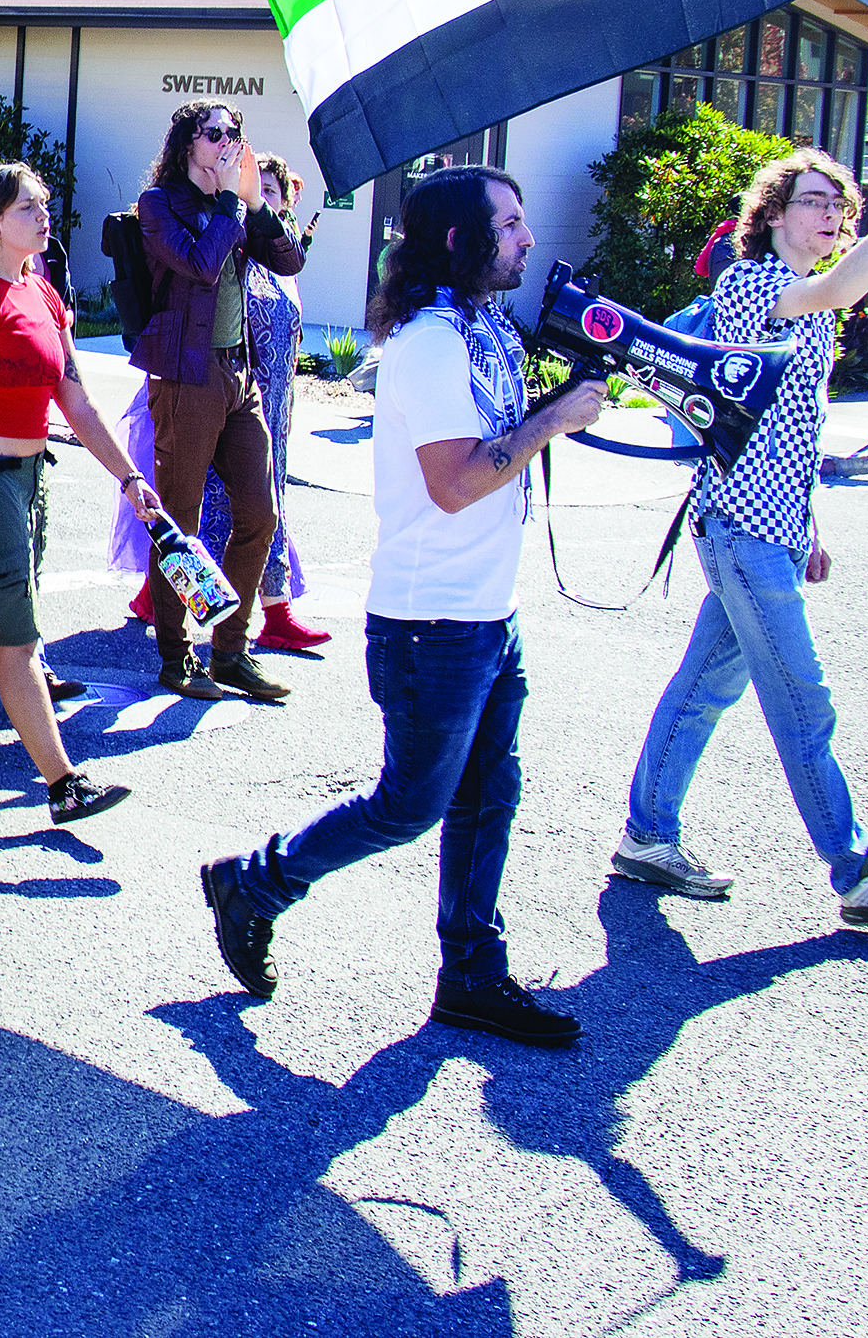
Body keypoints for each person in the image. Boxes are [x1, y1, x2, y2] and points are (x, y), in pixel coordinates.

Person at [198, 165, 607, 1048]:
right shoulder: (427, 344)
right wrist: (550, 423)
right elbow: (456, 482)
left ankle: (470, 973)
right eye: (508, 224)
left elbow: (489, 441)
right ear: (458, 240)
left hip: (487, 613)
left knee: (487, 793)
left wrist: (555, 399)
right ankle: (255, 881)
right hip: (433, 623)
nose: (526, 239)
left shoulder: (479, 326)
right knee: (409, 803)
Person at [615, 146, 868, 927]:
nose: (832, 217)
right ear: (772, 212)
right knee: (802, 704)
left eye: (839, 207)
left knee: (703, 688)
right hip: (739, 528)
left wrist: (805, 523)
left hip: (765, 530)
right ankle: (858, 875)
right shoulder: (751, 284)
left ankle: (646, 836)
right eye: (814, 201)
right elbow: (840, 284)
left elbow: (792, 425)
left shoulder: (807, 295)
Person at [0, 163, 155, 818]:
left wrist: (129, 476)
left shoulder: (42, 295)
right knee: (16, 637)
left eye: (43, 205)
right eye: (26, 208)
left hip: (26, 479)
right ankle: (63, 782)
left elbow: (75, 399)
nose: (43, 216)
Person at [115, 150, 327, 651]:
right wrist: (232, 200)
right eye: (215, 134)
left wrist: (256, 203)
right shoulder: (160, 204)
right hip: (188, 375)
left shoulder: (237, 207)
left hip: (239, 373)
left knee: (259, 513)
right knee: (180, 520)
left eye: (235, 134)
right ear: (190, 145)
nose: (228, 145)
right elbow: (202, 265)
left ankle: (231, 648)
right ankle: (175, 651)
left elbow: (289, 259)